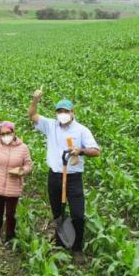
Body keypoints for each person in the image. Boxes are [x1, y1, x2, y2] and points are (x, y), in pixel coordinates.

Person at [28, 89, 100, 261]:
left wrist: (80, 151)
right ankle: (60, 240)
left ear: (72, 112)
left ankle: (77, 248)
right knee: (57, 211)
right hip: (54, 176)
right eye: (59, 111)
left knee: (77, 214)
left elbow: (96, 151)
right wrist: (35, 99)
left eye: (66, 111)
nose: (62, 114)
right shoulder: (51, 125)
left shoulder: (82, 130)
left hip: (73, 177)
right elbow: (32, 115)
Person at [0, 106, 33, 250]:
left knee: (11, 214)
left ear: (14, 132)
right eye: (2, 134)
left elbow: (29, 165)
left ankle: (10, 238)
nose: (5, 136)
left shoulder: (23, 148)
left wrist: (22, 170)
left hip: (13, 186)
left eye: (8, 133)